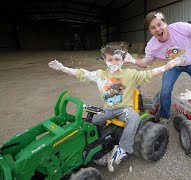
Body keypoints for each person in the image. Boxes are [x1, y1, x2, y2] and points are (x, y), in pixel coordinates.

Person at [48, 45, 182, 172]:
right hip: (107, 109)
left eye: (117, 59)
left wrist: (166, 66)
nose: (113, 62)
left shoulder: (130, 74)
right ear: (105, 60)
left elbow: (148, 74)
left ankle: (122, 149)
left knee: (134, 117)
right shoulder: (100, 75)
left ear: (123, 60)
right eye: (110, 59)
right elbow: (83, 73)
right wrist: (63, 68)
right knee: (90, 121)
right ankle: (87, 147)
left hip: (124, 108)